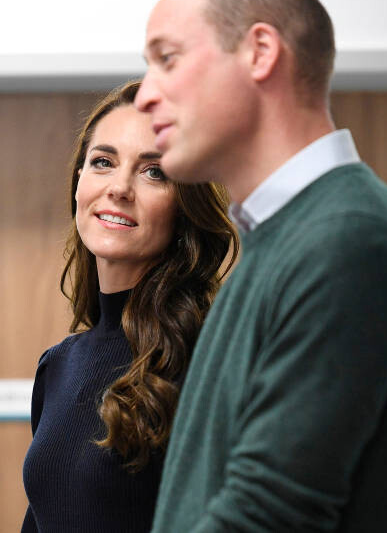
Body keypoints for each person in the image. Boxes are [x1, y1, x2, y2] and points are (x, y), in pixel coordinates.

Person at [134, 0, 387, 532]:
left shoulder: (347, 238)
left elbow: (271, 513)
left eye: (168, 59)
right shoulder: (287, 238)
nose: (146, 96)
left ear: (260, 52)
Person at [22, 80, 239, 533]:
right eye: (103, 162)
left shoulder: (209, 361)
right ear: (78, 182)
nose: (119, 188)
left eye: (154, 172)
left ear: (185, 207)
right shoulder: (57, 366)